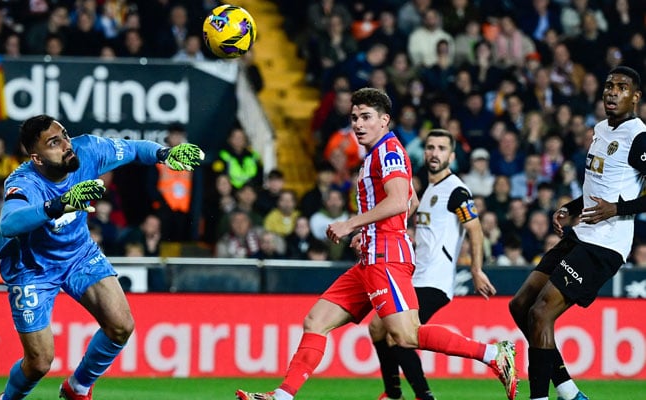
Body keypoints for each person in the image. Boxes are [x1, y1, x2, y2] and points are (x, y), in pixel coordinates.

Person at [235, 88, 518, 400]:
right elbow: (411, 202)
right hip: (371, 256)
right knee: (316, 321)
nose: (358, 124)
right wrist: (368, 229)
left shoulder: (388, 152)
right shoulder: (378, 154)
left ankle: (493, 353)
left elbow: (399, 201)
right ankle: (283, 396)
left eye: (366, 117)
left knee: (406, 335)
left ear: (384, 121)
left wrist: (352, 223)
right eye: (354, 117)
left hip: (387, 258)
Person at [0, 114, 204, 400]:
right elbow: (8, 224)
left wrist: (163, 153)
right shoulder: (23, 182)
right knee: (39, 362)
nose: (66, 145)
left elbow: (132, 149)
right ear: (38, 158)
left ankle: (77, 387)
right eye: (54, 143)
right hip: (33, 269)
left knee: (121, 326)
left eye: (64, 135)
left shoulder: (88, 150)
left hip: (79, 255)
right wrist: (58, 205)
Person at [508, 66, 646, 400]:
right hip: (580, 233)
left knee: (541, 313)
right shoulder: (599, 129)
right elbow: (600, 186)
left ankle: (541, 396)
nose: (612, 92)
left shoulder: (638, 136)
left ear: (635, 97)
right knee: (521, 305)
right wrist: (571, 207)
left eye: (622, 87)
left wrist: (619, 208)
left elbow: (616, 199)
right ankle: (569, 391)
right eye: (609, 85)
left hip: (606, 244)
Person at [370, 128, 498, 400]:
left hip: (435, 280)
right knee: (378, 328)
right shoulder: (429, 191)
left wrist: (476, 269)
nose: (434, 153)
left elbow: (475, 230)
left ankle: (422, 396)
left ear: (451, 155)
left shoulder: (457, 191)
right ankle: (393, 393)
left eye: (441, 148)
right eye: (430, 147)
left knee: (398, 335)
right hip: (416, 277)